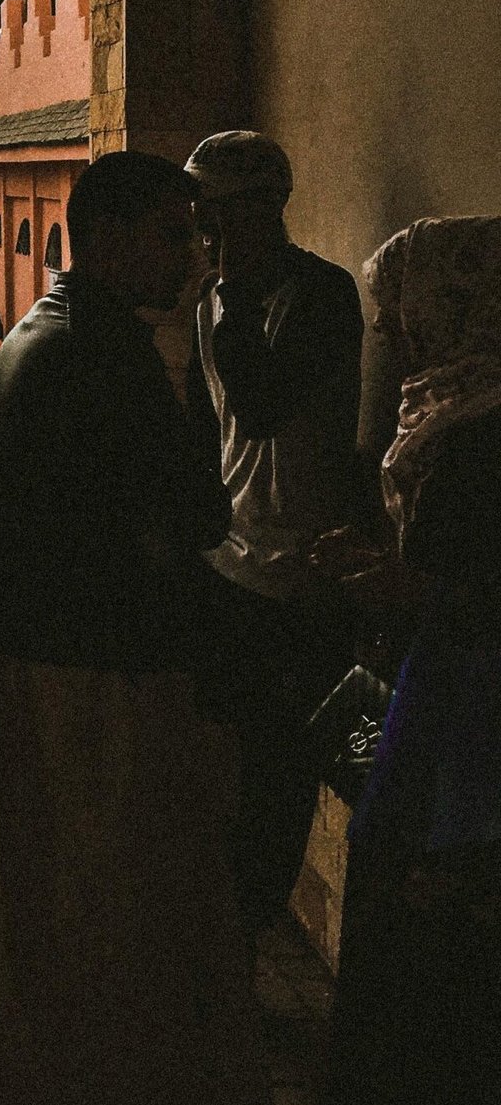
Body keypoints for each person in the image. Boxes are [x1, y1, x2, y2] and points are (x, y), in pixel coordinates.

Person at [0, 152, 269, 1105]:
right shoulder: (97, 353)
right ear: (101, 240)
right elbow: (191, 516)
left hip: (46, 662)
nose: (192, 259)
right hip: (103, 681)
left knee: (63, 915)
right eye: (170, 236)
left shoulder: (50, 335)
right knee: (128, 916)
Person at [321, 217, 501, 1105]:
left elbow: (474, 590)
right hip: (435, 711)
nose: (387, 328)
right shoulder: (450, 413)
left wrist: (404, 589)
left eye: (400, 304)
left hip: (466, 740)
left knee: (429, 961)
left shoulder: (482, 435)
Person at [183, 130, 365, 930]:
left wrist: (230, 295)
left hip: (300, 579)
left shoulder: (320, 297)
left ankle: (247, 933)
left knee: (281, 780)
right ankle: (226, 940)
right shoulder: (214, 302)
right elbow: (209, 433)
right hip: (231, 567)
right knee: (224, 772)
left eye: (217, 214)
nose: (207, 234)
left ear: (264, 209)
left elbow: (257, 407)